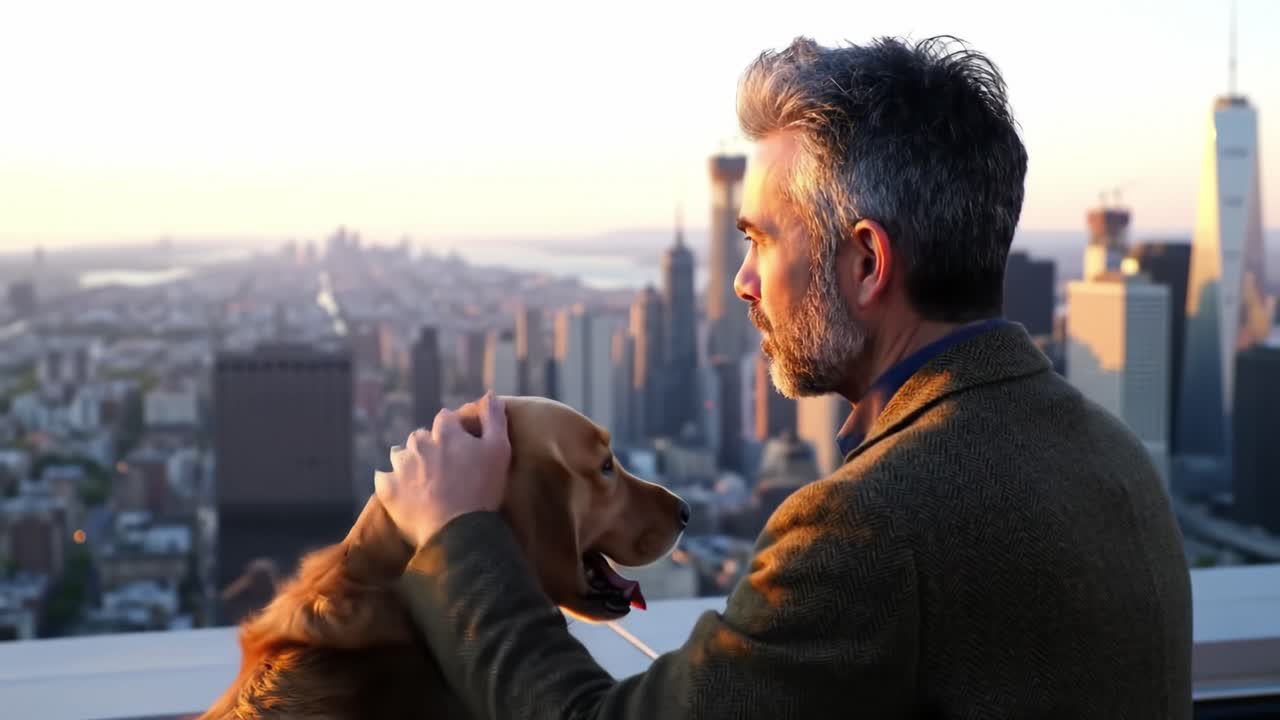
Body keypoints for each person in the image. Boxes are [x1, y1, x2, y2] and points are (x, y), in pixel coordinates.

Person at [376, 36, 1193, 719]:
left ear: (866, 262)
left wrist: (459, 539)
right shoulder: (1110, 455)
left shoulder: (864, 530)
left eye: (760, 240)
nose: (742, 281)